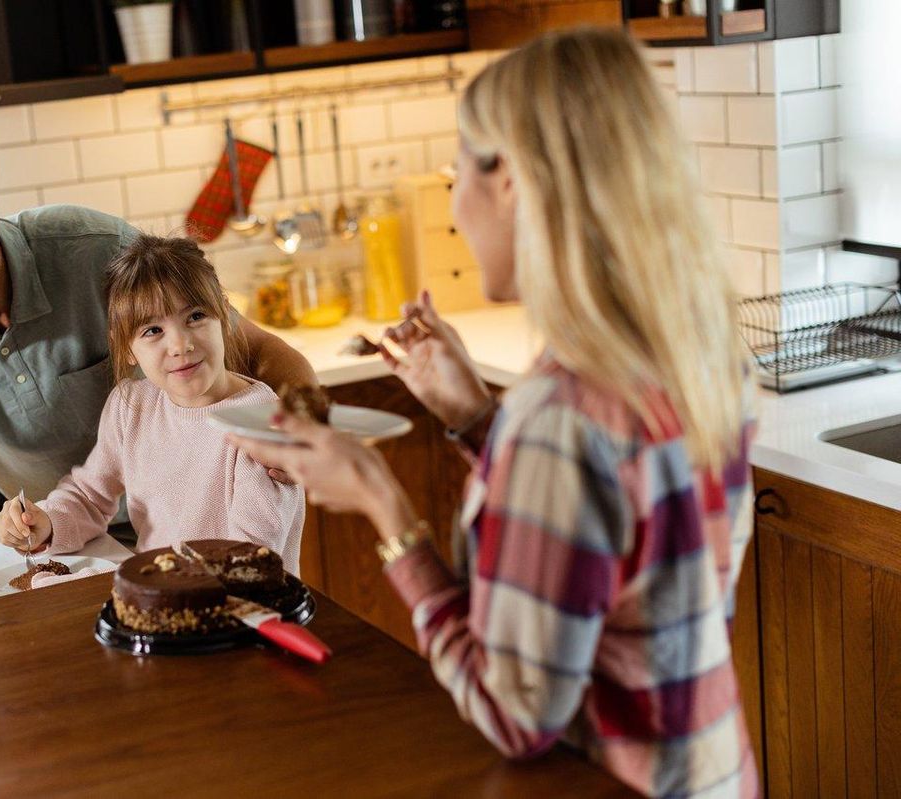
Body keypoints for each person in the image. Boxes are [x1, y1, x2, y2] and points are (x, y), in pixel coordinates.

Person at [230, 28, 758, 799]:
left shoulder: (563, 411)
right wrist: (479, 419)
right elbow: (618, 548)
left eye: (456, 170)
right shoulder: (701, 348)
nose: (452, 203)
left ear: (509, 177)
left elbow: (516, 713)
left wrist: (386, 504)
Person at [0, 120, 315, 562]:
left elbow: (255, 349)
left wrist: (301, 432)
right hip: (75, 545)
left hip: (205, 552)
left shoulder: (97, 251)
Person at [0, 234, 305, 572]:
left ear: (223, 317)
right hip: (164, 602)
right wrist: (45, 522)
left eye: (196, 316)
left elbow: (251, 560)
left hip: (247, 613)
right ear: (126, 348)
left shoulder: (259, 423)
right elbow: (88, 496)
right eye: (153, 331)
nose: (179, 344)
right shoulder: (131, 408)